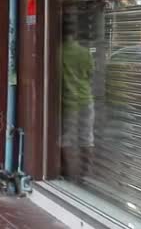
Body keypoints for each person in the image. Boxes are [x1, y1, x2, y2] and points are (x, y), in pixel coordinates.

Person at [61, 22, 95, 180]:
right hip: (86, 99)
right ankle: (86, 172)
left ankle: (68, 172)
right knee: (86, 136)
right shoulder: (84, 52)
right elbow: (90, 74)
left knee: (67, 137)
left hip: (69, 102)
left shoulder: (58, 52)